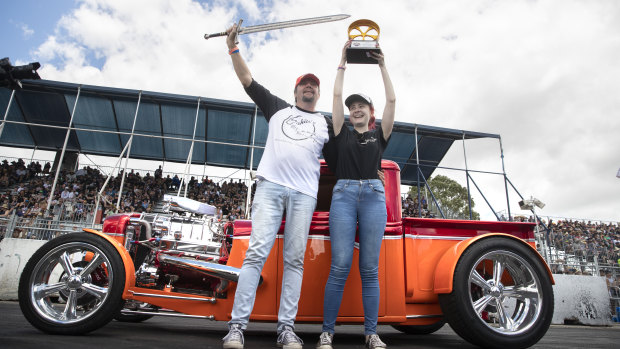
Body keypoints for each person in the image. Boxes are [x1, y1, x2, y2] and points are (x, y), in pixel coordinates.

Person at [221, 24, 330, 349]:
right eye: (305, 83)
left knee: (295, 259)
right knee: (256, 254)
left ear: (318, 94)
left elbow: (345, 157)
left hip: (304, 194)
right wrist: (233, 48)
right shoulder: (278, 108)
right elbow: (247, 81)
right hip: (270, 188)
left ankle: (286, 329)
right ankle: (237, 327)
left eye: (314, 85)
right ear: (296, 90)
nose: (309, 87)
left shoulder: (325, 122)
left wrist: (373, 169)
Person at [317, 40, 395, 349]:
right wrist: (342, 62)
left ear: (370, 111)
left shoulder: (380, 134)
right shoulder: (341, 131)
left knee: (369, 268)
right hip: (344, 195)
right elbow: (336, 95)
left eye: (361, 105)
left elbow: (392, 100)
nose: (355, 108)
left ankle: (371, 333)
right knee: (340, 265)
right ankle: (327, 331)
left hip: (374, 197)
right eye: (352, 106)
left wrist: (382, 65)